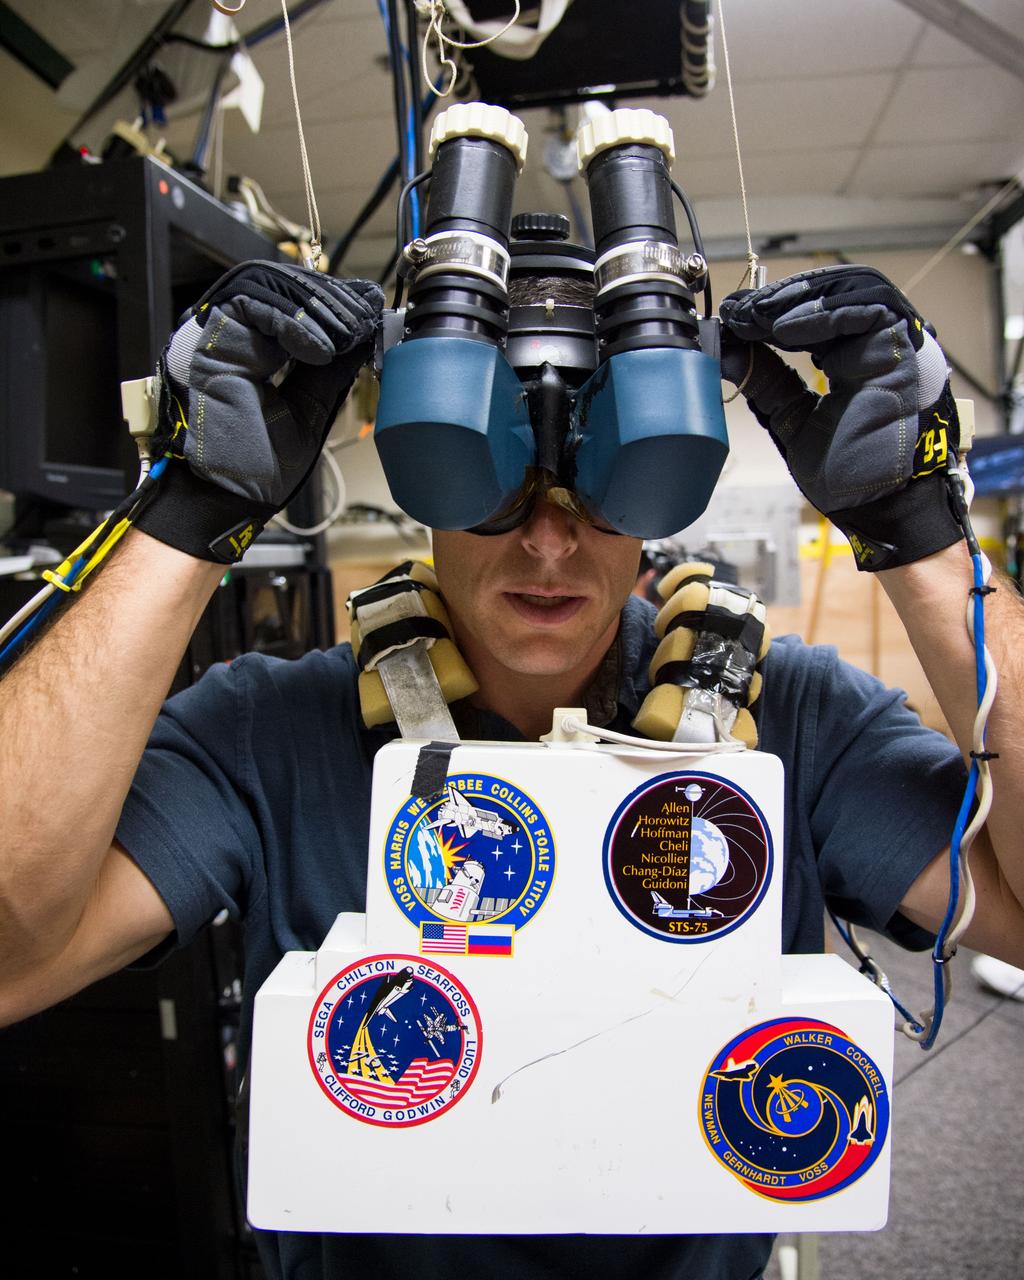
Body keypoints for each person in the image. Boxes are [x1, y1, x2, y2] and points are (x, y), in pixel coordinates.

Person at [1, 259, 1023, 1280]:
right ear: (424, 478)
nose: (547, 541)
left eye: (601, 482)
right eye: (492, 482)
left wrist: (914, 526)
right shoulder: (268, 730)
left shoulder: (791, 716)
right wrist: (189, 508)